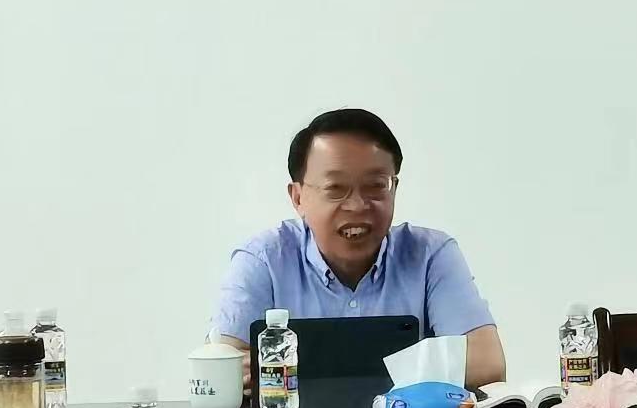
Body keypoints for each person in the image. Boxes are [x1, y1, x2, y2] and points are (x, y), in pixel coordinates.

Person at [213, 108, 505, 391]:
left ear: (394, 188)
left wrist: (292, 367)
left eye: (376, 186)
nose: (357, 206)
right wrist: (413, 365)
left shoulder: (430, 255)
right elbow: (224, 371)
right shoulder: (263, 259)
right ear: (298, 197)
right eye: (336, 188)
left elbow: (487, 364)